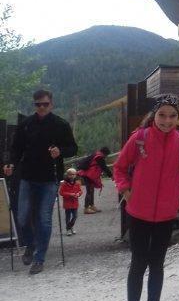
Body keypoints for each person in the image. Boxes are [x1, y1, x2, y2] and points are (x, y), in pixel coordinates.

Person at [114, 94, 179, 301]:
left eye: (172, 116)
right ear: (154, 115)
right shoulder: (140, 138)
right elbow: (119, 167)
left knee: (157, 264)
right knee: (138, 264)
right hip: (138, 211)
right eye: (162, 115)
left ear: (178, 117)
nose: (167, 121)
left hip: (165, 214)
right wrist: (125, 189)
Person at [3, 89, 78, 274]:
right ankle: (30, 244)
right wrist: (10, 163)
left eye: (45, 104)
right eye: (38, 104)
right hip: (27, 177)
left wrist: (60, 151)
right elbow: (16, 149)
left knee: (44, 219)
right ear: (34, 105)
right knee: (22, 217)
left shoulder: (60, 124)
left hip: (50, 179)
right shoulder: (26, 125)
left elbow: (73, 148)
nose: (42, 107)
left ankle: (39, 258)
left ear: (51, 104)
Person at [78, 147, 112, 213]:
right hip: (87, 175)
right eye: (106, 155)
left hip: (87, 174)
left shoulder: (95, 154)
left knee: (91, 190)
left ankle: (92, 206)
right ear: (105, 153)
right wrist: (111, 176)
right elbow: (104, 167)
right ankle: (86, 208)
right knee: (89, 191)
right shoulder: (99, 157)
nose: (106, 157)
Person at [59, 167, 83, 235]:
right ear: (67, 175)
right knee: (68, 216)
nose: (72, 176)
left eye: (73, 174)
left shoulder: (77, 183)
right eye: (70, 174)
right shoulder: (64, 183)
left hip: (75, 202)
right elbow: (61, 192)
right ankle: (68, 229)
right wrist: (70, 194)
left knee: (75, 216)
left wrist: (78, 193)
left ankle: (70, 226)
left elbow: (80, 191)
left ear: (75, 175)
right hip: (67, 203)